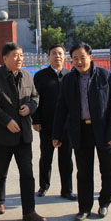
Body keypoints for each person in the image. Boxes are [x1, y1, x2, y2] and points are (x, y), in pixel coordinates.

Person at [52, 43, 111, 221]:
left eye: (82, 57)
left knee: (109, 170)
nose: (79, 62)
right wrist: (57, 134)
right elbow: (61, 108)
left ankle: (104, 203)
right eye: (75, 59)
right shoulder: (68, 80)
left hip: (104, 130)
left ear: (90, 57)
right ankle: (84, 208)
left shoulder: (106, 76)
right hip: (80, 130)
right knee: (83, 172)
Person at [0, 42, 46, 221]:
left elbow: (35, 97)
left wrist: (30, 107)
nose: (19, 59)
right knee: (1, 170)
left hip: (24, 135)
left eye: (21, 55)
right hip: (4, 134)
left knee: (27, 173)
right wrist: (6, 120)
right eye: (15, 56)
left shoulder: (27, 76)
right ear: (5, 58)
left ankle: (29, 211)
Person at [33, 45, 76, 200]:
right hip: (47, 123)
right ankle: (43, 186)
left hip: (66, 125)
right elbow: (34, 99)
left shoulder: (71, 75)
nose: (57, 56)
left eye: (60, 53)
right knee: (46, 157)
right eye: (54, 53)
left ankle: (67, 190)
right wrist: (36, 120)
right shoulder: (40, 76)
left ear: (65, 57)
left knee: (66, 159)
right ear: (48, 57)